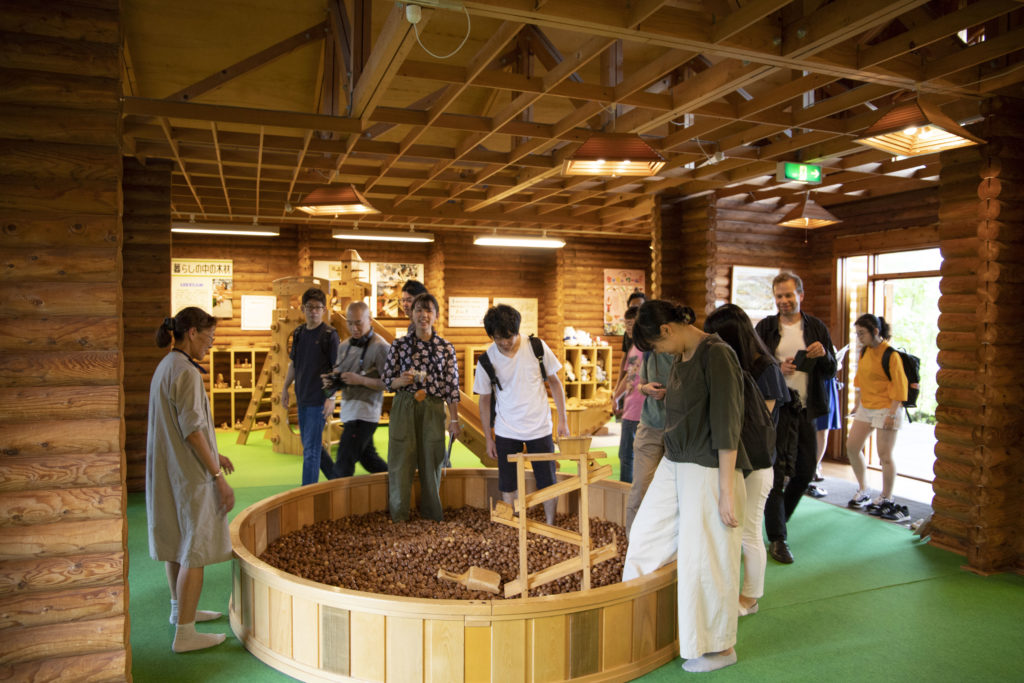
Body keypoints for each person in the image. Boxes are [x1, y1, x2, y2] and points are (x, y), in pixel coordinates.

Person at [623, 300, 748, 674]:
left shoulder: (718, 354)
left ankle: (719, 646)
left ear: (667, 330)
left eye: (656, 346)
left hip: (709, 469)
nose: (657, 354)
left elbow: (728, 424)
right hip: (675, 462)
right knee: (645, 538)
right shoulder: (682, 354)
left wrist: (727, 490)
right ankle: (642, 627)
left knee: (705, 559)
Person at [147, 307, 235, 653]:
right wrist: (218, 477)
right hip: (189, 475)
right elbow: (193, 431)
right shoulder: (187, 373)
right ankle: (185, 633)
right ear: (193, 332)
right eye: (209, 336)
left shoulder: (166, 366)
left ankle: (179, 610)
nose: (212, 342)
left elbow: (184, 426)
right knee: (194, 550)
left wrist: (218, 454)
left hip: (169, 471)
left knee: (175, 541)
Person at [704, 303, 790, 618]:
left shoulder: (765, 368)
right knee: (732, 530)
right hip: (737, 463)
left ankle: (750, 598)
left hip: (757, 463)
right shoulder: (733, 363)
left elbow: (758, 422)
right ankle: (731, 593)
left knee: (749, 532)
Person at [754, 272, 837, 564]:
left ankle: (779, 521)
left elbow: (830, 370)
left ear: (800, 295)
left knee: (804, 471)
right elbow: (750, 365)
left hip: (805, 408)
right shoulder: (765, 327)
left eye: (789, 295)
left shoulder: (815, 326)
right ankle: (778, 538)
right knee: (776, 474)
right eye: (779, 296)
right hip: (775, 408)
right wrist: (777, 367)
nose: (784, 301)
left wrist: (824, 355)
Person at [473, 304, 569, 525]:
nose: (505, 343)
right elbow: (484, 400)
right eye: (499, 338)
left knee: (547, 479)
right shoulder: (487, 360)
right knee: (507, 481)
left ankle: (550, 522)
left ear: (517, 331)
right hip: (507, 429)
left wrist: (562, 421)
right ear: (491, 336)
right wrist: (488, 437)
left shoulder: (536, 347)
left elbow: (555, 383)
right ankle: (512, 523)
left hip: (540, 427)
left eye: (510, 337)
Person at [381, 293, 460, 521]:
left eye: (428, 311)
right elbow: (387, 380)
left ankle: (432, 514)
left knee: (432, 458)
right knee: (400, 459)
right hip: (404, 405)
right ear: (411, 314)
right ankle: (399, 515)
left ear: (435, 316)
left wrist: (454, 420)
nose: (423, 315)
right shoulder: (399, 345)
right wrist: (400, 381)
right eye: (418, 310)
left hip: (434, 407)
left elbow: (452, 388)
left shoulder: (446, 348)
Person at [846, 314, 909, 519]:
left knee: (884, 456)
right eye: (857, 334)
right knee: (852, 447)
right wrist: (857, 404)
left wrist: (892, 413)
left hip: (887, 407)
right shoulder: (865, 352)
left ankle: (886, 496)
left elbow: (900, 387)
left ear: (875, 331)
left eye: (862, 333)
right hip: (867, 406)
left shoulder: (891, 355)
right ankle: (864, 489)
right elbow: (862, 380)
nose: (859, 337)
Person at [322, 301, 389, 477]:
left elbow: (388, 383)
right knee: (370, 460)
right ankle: (398, 486)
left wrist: (359, 380)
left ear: (370, 319)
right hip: (348, 412)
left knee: (343, 467)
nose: (354, 328)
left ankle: (338, 500)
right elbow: (337, 373)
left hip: (366, 414)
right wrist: (333, 381)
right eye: (350, 323)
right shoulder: (343, 346)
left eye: (358, 322)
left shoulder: (381, 346)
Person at [281, 288, 340, 486]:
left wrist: (331, 398)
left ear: (324, 309)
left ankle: (307, 493)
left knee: (311, 451)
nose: (313, 311)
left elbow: (335, 368)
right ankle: (337, 479)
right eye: (309, 307)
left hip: (319, 400)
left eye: (317, 307)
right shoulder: (298, 333)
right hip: (302, 397)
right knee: (309, 444)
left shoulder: (330, 335)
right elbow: (294, 363)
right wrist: (285, 388)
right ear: (302, 309)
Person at [624, 344, 673, 536]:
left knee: (670, 491)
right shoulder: (650, 352)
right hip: (649, 425)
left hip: (678, 429)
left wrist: (668, 393)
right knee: (640, 487)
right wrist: (646, 388)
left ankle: (664, 542)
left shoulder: (686, 353)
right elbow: (640, 384)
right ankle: (632, 541)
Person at [612, 307, 644, 483]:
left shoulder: (642, 348)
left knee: (627, 456)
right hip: (634, 409)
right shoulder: (637, 347)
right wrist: (617, 396)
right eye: (626, 324)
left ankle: (627, 494)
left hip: (637, 411)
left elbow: (632, 377)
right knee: (628, 455)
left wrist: (617, 397)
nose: (628, 329)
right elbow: (629, 375)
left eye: (631, 324)